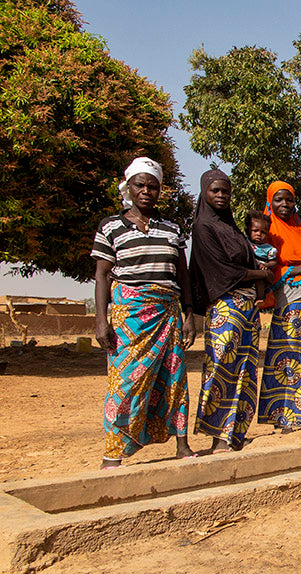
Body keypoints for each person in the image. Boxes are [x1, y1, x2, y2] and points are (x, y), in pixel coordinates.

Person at [91, 157, 196, 468]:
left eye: (153, 186)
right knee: (125, 381)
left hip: (168, 312)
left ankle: (182, 445)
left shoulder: (172, 229)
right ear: (129, 187)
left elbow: (182, 274)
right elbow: (101, 275)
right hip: (131, 314)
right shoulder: (110, 226)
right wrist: (101, 320)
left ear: (160, 191)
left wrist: (188, 313)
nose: (146, 191)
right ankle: (114, 452)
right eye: (140, 185)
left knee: (174, 377)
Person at [189, 169, 271, 454]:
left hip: (249, 309)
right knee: (221, 368)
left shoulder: (233, 229)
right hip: (226, 306)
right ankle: (216, 437)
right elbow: (221, 271)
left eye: (226, 191)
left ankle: (233, 435)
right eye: (215, 191)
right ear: (204, 193)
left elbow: (244, 263)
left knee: (245, 371)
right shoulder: (202, 228)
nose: (222, 196)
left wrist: (255, 274)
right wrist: (258, 275)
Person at [257, 181, 301, 438]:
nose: (285, 205)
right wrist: (296, 269)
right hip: (286, 303)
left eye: (289, 199)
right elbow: (266, 265)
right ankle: (284, 418)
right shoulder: (268, 232)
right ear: (269, 202)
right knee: (285, 360)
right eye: (278, 200)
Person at [246, 211, 279, 306]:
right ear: (248, 230)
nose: (259, 234)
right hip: (247, 270)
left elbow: (274, 262)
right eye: (255, 230)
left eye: (263, 232)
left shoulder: (268, 249)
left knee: (260, 278)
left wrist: (267, 265)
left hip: (260, 271)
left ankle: (260, 298)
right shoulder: (245, 242)